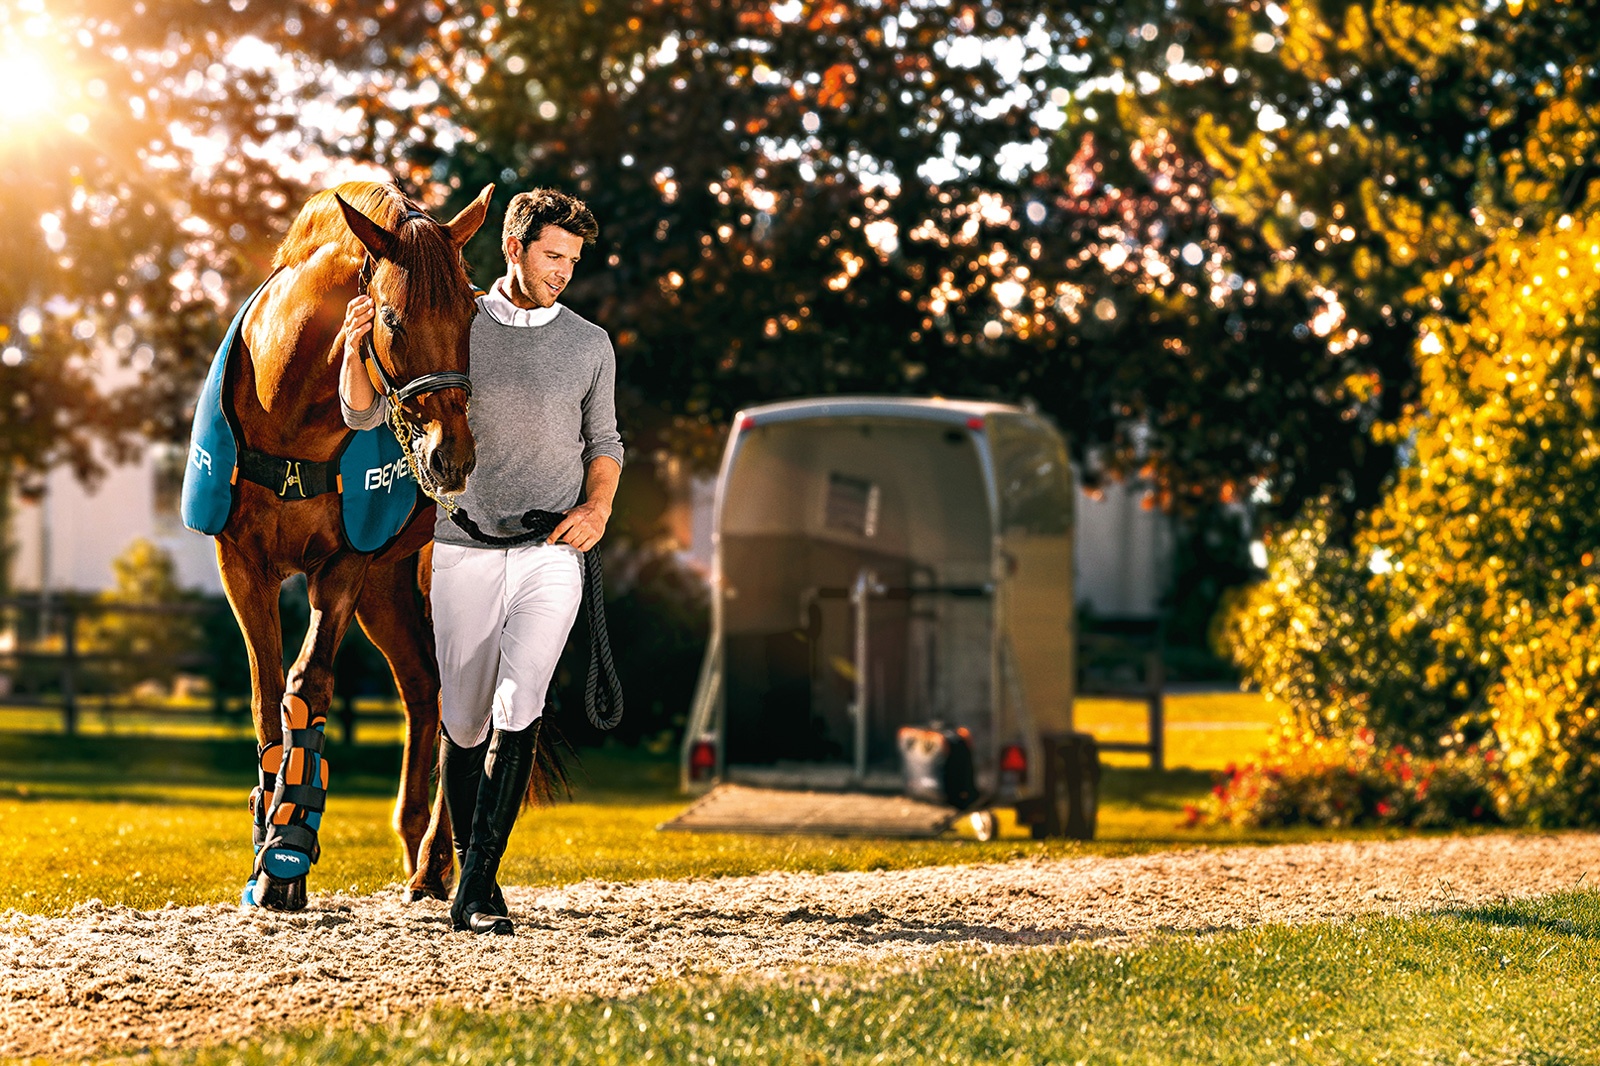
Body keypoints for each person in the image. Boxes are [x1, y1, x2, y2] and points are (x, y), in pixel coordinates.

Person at [339, 189, 623, 935]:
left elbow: (607, 444)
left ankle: (478, 887)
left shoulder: (590, 344)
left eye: (573, 260)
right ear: (514, 248)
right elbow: (364, 412)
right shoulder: (455, 318)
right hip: (462, 544)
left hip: (551, 549)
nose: (563, 272)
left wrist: (595, 510)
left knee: (520, 703)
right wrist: (354, 346)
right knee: (462, 719)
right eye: (552, 255)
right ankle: (467, 872)